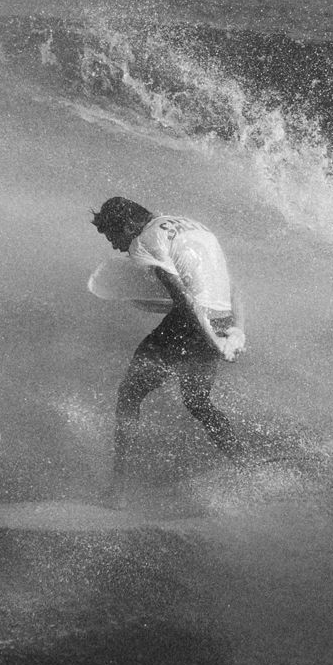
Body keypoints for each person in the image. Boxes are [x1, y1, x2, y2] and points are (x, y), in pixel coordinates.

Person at [91, 196, 246, 500]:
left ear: (128, 225)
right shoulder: (193, 226)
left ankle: (117, 490)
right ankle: (246, 463)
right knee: (198, 401)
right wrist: (237, 331)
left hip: (193, 321)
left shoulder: (144, 241)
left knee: (129, 394)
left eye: (113, 236)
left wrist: (214, 342)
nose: (116, 246)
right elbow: (233, 288)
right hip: (221, 318)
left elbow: (185, 298)